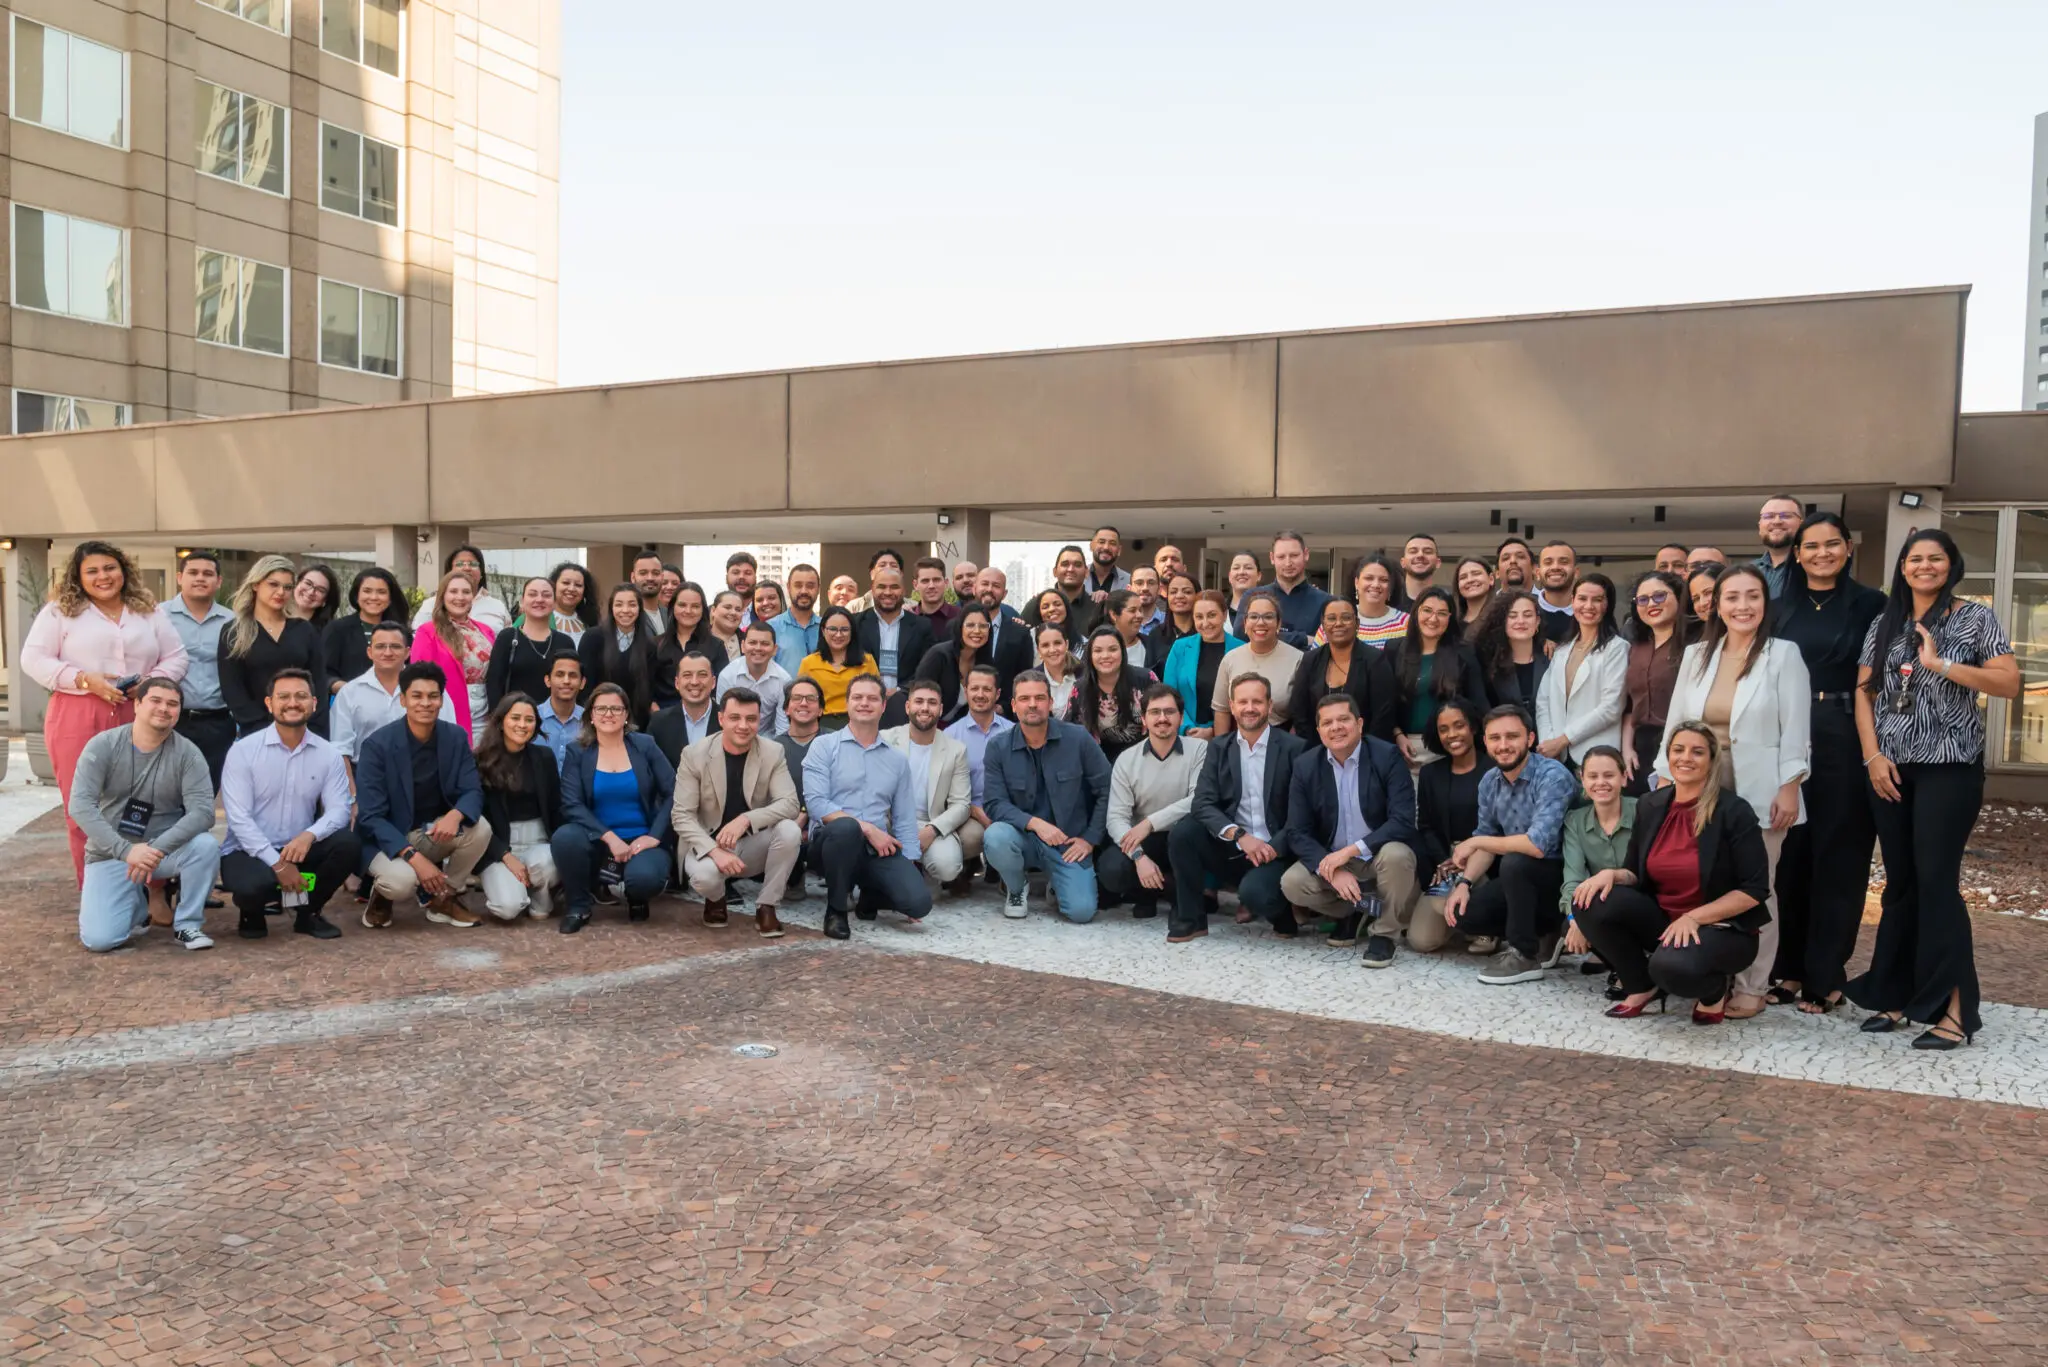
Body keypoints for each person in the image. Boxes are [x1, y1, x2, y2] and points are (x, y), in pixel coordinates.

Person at [1848, 528, 2019, 1049]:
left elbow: (2009, 682)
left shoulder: (1972, 617)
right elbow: (1864, 691)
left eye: (1935, 558)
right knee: (1900, 886)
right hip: (1891, 769)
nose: (1925, 566)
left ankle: (1956, 1009)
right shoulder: (1885, 622)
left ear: (1951, 565)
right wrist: (1872, 756)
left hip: (1948, 768)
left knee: (1937, 883)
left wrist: (1940, 664)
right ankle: (1899, 997)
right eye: (1915, 558)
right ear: (1902, 567)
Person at [1656, 562, 1810, 1019]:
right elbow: (1675, 725)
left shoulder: (1784, 655)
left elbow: (1796, 729)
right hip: (1699, 788)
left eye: (1752, 596)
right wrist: (1666, 776)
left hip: (1762, 789)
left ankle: (1753, 985)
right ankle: (1707, 973)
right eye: (1732, 597)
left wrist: (1790, 786)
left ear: (1765, 604)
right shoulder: (1697, 655)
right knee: (1702, 881)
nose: (1743, 606)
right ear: (1716, 606)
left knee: (1758, 889)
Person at [1571, 724, 1773, 1022]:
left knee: (1669, 968)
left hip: (1721, 928)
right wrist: (1610, 875)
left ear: (1712, 760)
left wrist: (1694, 917)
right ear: (1668, 756)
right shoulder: (1651, 804)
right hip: (1665, 924)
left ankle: (1714, 990)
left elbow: (1754, 890)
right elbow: (1635, 872)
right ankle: (1639, 986)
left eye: (1697, 751)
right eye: (1678, 750)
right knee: (1588, 899)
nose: (1686, 758)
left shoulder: (1734, 811)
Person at [1771, 511, 1887, 1013]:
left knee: (1839, 857)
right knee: (1788, 856)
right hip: (1784, 738)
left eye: (1832, 544)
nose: (1822, 554)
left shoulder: (1872, 605)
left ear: (1847, 548)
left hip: (1844, 733)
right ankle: (1787, 969)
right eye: (1811, 546)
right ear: (1796, 553)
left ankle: (1825, 974)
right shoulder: (1776, 607)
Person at [69, 676, 221, 952]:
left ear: (179, 713)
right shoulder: (102, 745)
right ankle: (138, 906)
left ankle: (188, 925)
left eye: (172, 704)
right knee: (100, 940)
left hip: (163, 851)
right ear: (137, 705)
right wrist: (126, 851)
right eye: (156, 700)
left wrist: (154, 850)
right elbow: (80, 805)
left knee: (206, 846)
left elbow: (203, 813)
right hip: (112, 853)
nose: (164, 708)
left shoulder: (188, 754)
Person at [218, 669, 361, 940]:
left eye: (301, 696)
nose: (293, 703)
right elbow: (239, 820)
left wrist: (309, 835)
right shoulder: (244, 751)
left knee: (347, 845)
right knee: (253, 887)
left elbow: (340, 810)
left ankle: (308, 913)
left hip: (299, 846)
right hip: (248, 850)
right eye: (283, 696)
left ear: (314, 704)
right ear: (269, 703)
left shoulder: (328, 754)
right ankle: (252, 910)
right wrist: (278, 864)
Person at [1279, 693, 1419, 967]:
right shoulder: (1306, 766)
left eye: (1344, 719)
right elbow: (1296, 831)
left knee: (1397, 855)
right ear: (1319, 730)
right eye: (1327, 722)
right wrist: (1332, 870)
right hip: (1337, 858)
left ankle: (1385, 934)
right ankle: (1358, 910)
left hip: (1377, 854)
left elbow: (1403, 820)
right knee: (1292, 884)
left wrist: (1350, 852)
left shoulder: (1386, 756)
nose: (1336, 727)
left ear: (1360, 724)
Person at [1440, 706, 1577, 985]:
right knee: (1463, 914)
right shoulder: (1490, 781)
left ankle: (1524, 955)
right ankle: (1543, 932)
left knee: (1516, 861)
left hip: (1562, 878)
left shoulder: (1553, 775)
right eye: (1495, 738)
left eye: (1512, 736)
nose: (1503, 746)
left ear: (1529, 738)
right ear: (1486, 742)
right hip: (1522, 881)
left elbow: (1537, 845)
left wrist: (1475, 841)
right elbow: (1487, 839)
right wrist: (1464, 883)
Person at [1169, 672, 1305, 941]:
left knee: (1257, 895)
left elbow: (1302, 814)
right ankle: (1192, 919)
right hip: (1236, 846)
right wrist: (1239, 837)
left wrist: (1271, 848)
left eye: (1257, 701)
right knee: (1183, 833)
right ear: (1232, 706)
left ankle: (1282, 915)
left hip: (1277, 851)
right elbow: (1202, 803)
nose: (1249, 708)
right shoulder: (1219, 747)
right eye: (1242, 702)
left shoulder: (1295, 749)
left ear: (1269, 705)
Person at [355, 662, 490, 930]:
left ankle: (443, 896)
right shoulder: (377, 745)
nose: (425, 703)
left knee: (481, 829)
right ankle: (381, 894)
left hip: (428, 832)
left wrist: (456, 814)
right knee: (401, 882)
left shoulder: (454, 737)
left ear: (442, 699)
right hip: (386, 837)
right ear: (403, 700)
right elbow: (370, 817)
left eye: (433, 696)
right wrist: (415, 859)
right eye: (417, 696)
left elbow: (472, 789)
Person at [802, 674, 932, 938]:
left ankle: (871, 895)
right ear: (847, 704)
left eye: (872, 698)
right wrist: (868, 829)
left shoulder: (896, 760)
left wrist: (908, 869)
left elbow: (904, 818)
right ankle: (836, 911)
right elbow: (816, 803)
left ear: (883, 706)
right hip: (830, 844)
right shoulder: (824, 746)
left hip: (876, 850)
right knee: (847, 829)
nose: (865, 703)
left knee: (918, 903)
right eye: (857, 697)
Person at [982, 670, 1113, 923]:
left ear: (1051, 703)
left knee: (1081, 912)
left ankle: (1057, 881)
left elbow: (1107, 790)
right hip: (1022, 838)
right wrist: (1036, 824)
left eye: (1040, 698)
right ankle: (1017, 887)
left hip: (1068, 843)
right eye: (1024, 698)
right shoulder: (998, 747)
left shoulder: (1078, 739)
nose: (1032, 704)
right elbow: (994, 803)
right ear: (1013, 705)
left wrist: (1089, 839)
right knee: (995, 836)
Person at [673, 687, 802, 935]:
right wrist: (715, 851)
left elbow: (789, 803)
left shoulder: (772, 752)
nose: (743, 726)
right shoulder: (694, 755)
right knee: (704, 878)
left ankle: (767, 906)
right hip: (707, 844)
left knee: (790, 830)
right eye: (735, 718)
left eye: (751, 719)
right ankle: (716, 898)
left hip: (753, 844)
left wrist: (746, 819)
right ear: (721, 719)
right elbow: (681, 816)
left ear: (759, 720)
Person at [552, 680, 676, 933]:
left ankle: (636, 896)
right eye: (601, 709)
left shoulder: (645, 745)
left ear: (626, 714)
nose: (609, 714)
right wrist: (609, 837)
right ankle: (579, 906)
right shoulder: (578, 752)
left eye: (616, 709)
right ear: (591, 716)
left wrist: (653, 836)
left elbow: (674, 791)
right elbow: (571, 804)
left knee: (644, 879)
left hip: (642, 838)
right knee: (565, 838)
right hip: (597, 839)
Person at [1098, 685, 1207, 921]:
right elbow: (1116, 818)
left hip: (1185, 839)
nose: (1162, 718)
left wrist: (1149, 822)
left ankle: (1174, 893)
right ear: (1144, 719)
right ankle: (1147, 891)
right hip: (1145, 841)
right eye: (1155, 712)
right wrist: (1139, 857)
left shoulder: (1200, 750)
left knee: (1186, 839)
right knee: (1111, 870)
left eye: (1169, 712)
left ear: (1180, 717)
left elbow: (1198, 800)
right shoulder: (1127, 760)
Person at [1410, 699, 1496, 954]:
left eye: (1459, 726)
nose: (1452, 735)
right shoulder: (1430, 774)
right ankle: (1462, 922)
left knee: (1456, 898)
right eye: (1444, 729)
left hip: (1486, 859)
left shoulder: (1494, 770)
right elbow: (1425, 826)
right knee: (1421, 941)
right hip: (1447, 861)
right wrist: (1441, 861)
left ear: (1473, 728)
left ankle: (1486, 926)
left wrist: (1468, 858)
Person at [881, 679, 978, 894]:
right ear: (908, 707)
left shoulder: (955, 750)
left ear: (941, 709)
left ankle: (925, 871)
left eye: (932, 703)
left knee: (948, 867)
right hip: (889, 821)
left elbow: (961, 804)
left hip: (931, 822)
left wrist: (932, 830)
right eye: (919, 702)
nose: (925, 708)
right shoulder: (885, 740)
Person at [472, 694, 563, 921]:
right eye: (515, 718)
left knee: (542, 866)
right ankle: (518, 890)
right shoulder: (480, 760)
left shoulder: (544, 757)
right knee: (508, 908)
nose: (522, 725)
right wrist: (503, 854)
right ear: (501, 721)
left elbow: (556, 807)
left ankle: (542, 895)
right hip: (499, 844)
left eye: (529, 720)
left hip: (539, 841)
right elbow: (475, 819)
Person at [218, 555, 325, 741]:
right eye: (273, 584)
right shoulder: (234, 631)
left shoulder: (304, 630)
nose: (281, 592)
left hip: (304, 731)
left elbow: (319, 685)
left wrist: (311, 726)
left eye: (287, 587)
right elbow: (232, 689)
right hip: (256, 732)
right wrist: (262, 727)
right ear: (256, 585)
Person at [1556, 746, 1637, 984]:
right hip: (1604, 907)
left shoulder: (1644, 810)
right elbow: (1572, 880)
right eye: (1592, 776)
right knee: (1571, 924)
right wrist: (1576, 920)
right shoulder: (1575, 821)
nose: (1600, 783)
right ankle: (1622, 966)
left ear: (1623, 777)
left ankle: (1638, 969)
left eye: (1609, 775)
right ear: (1582, 779)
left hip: (1643, 903)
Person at [1534, 573, 1628, 767]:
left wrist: (1563, 740)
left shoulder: (1617, 648)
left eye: (1597, 600)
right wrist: (1548, 742)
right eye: (1582, 598)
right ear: (1572, 601)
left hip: (1597, 756)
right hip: (1557, 757)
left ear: (1607, 605)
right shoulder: (1562, 649)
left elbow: (1611, 708)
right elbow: (1544, 700)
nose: (1588, 606)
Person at [162, 550, 236, 788]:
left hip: (217, 722)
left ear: (219, 581)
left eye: (208, 574)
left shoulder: (233, 621)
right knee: (166, 789)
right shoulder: (158, 616)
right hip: (170, 719)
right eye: (193, 572)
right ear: (179, 577)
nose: (200, 578)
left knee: (206, 790)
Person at [1384, 588, 1484, 762]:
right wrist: (1397, 735)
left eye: (1442, 613)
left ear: (1450, 618)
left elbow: (1479, 703)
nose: (1433, 619)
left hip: (1450, 748)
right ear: (1416, 613)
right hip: (1404, 747)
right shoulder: (1394, 649)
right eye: (1427, 611)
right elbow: (1385, 702)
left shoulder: (1464, 653)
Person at [1288, 598, 1399, 747]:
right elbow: (1299, 711)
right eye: (1331, 618)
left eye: (1346, 618)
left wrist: (1364, 752)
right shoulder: (1310, 660)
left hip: (1367, 751)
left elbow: (1383, 716)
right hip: (1318, 750)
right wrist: (1316, 751)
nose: (1338, 623)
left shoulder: (1375, 660)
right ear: (1323, 625)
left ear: (1357, 623)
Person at [1619, 571, 1689, 795]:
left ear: (1679, 597)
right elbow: (1630, 705)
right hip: (1639, 748)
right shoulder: (1636, 646)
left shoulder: (1693, 645)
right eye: (1643, 599)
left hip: (1679, 743)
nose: (1651, 604)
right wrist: (1627, 748)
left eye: (1659, 596)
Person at [943, 664, 1014, 878]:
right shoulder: (950, 735)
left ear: (997, 694)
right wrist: (976, 811)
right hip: (968, 813)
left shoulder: (1013, 733)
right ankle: (966, 866)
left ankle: (1009, 874)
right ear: (966, 691)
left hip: (1007, 810)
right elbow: (944, 789)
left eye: (987, 689)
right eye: (974, 689)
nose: (980, 695)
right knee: (966, 840)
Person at [409, 570, 496, 743]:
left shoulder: (486, 631)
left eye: (466, 592)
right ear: (443, 595)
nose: (460, 597)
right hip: (450, 710)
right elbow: (420, 676)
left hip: (485, 712)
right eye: (453, 591)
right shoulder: (428, 632)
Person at [1212, 591, 1304, 737]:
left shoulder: (1298, 659)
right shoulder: (1230, 659)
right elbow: (1221, 709)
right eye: (1254, 617)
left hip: (1283, 742)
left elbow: (1302, 715)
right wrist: (1222, 749)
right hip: (1239, 741)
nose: (1260, 622)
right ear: (1245, 623)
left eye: (1268, 617)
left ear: (1278, 623)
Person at [578, 584, 662, 728]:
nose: (625, 610)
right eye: (619, 604)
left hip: (635, 724)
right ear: (611, 608)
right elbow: (585, 686)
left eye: (632, 605)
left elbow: (648, 690)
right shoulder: (593, 638)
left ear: (639, 609)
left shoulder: (649, 647)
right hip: (599, 721)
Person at [1161, 589, 1242, 739]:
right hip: (1185, 735)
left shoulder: (1241, 649)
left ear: (1224, 615)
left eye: (1212, 615)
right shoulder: (1180, 647)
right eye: (1199, 617)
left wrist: (1213, 730)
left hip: (1228, 737)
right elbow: (1169, 695)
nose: (1205, 623)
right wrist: (1187, 728)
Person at [329, 620, 411, 768]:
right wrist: (353, 791)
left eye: (395, 646)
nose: (388, 653)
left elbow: (446, 738)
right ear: (369, 652)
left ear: (407, 652)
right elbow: (340, 750)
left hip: (418, 775)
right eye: (380, 646)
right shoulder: (350, 693)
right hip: (366, 775)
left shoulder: (428, 690)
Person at [484, 578, 574, 711]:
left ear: (555, 602)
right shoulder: (507, 638)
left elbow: (571, 685)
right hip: (515, 721)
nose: (539, 599)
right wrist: (499, 721)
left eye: (546, 595)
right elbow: (494, 684)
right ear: (522, 601)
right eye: (532, 594)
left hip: (554, 721)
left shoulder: (565, 642)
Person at [1069, 627, 1151, 763]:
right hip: (1099, 761)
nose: (1105, 656)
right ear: (1090, 655)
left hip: (1144, 758)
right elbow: (1073, 733)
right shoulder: (1079, 689)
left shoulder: (1146, 678)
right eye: (1098, 651)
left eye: (1113, 649)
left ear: (1122, 652)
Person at [322, 566, 407, 690]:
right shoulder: (337, 629)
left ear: (390, 598)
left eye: (381, 592)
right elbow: (323, 672)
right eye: (367, 591)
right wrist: (346, 688)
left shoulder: (401, 632)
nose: (373, 597)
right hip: (349, 702)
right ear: (357, 595)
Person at [854, 567, 936, 693]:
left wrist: (899, 691)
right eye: (881, 586)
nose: (888, 592)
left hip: (906, 699)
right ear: (872, 589)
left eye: (894, 587)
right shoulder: (856, 623)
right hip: (865, 698)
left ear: (903, 590)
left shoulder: (922, 626)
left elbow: (927, 669)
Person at [910, 604, 995, 716]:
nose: (977, 631)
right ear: (960, 628)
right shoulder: (938, 655)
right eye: (970, 625)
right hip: (928, 722)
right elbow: (919, 697)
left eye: (983, 626)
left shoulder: (985, 661)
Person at [1474, 591, 1549, 717]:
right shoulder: (1489, 664)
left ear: (1537, 621)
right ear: (1503, 622)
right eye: (1512, 616)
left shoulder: (1551, 658)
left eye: (1528, 615)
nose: (1521, 621)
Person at [410, 544, 510, 633]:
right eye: (460, 564)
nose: (467, 568)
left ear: (481, 574)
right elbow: (417, 638)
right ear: (448, 573)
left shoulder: (497, 607)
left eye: (473, 564)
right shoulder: (431, 605)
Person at [798, 606, 868, 729]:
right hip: (820, 725)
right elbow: (801, 699)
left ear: (852, 632)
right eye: (833, 629)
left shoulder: (866, 661)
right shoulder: (809, 663)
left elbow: (875, 697)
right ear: (823, 631)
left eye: (845, 629)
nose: (838, 634)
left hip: (859, 723)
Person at [718, 621, 792, 735]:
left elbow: (783, 727)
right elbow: (723, 720)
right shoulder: (728, 675)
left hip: (768, 741)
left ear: (774, 649)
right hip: (733, 736)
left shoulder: (784, 680)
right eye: (752, 642)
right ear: (742, 646)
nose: (758, 648)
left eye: (765, 643)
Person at [1253, 530, 1332, 638]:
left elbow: (1327, 644)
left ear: (1306, 554)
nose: (1288, 563)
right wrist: (1304, 639)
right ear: (1272, 558)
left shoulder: (1326, 602)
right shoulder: (1254, 596)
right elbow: (1242, 638)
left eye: (1294, 555)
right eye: (1281, 557)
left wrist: (1269, 636)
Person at [649, 650, 720, 768]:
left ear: (713, 682)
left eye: (702, 675)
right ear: (677, 683)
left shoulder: (729, 720)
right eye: (687, 675)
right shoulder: (659, 723)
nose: (694, 682)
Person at [656, 582, 728, 689]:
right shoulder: (655, 644)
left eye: (695, 606)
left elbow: (722, 686)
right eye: (682, 605)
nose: (688, 611)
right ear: (673, 607)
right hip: (665, 705)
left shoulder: (716, 645)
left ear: (703, 609)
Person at [1022, 545, 1097, 634]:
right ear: (1055, 572)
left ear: (1086, 572)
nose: (1071, 569)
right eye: (1065, 564)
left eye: (1077, 565)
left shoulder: (1098, 607)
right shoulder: (1035, 606)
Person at [769, 563, 822, 676]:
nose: (804, 591)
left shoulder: (827, 628)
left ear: (818, 589)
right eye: (798, 585)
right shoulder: (771, 627)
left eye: (810, 586)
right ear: (788, 587)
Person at [536, 651, 586, 768]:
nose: (566, 681)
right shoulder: (532, 718)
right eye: (560, 674)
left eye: (573, 675)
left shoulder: (591, 721)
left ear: (582, 683)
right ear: (547, 680)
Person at [1752, 494, 1805, 599]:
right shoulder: (1749, 571)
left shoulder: (1814, 568)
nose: (1777, 521)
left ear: (1801, 524)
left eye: (1786, 515)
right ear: (1760, 526)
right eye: (1769, 516)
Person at [1351, 556, 1409, 647]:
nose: (1376, 585)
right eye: (1369, 578)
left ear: (1390, 587)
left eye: (1384, 580)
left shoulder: (1406, 623)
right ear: (1356, 583)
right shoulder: (1338, 619)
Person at [1532, 541, 1581, 644]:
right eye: (1548, 562)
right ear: (1537, 573)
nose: (1555, 567)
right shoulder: (1525, 608)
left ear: (1576, 572)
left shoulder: (1588, 611)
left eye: (1563, 562)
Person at [1101, 589, 1158, 675]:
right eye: (1132, 610)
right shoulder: (1096, 646)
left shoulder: (1152, 646)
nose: (1139, 615)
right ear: (1113, 615)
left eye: (1140, 610)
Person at [1033, 624, 1081, 720]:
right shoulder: (1032, 679)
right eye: (1045, 645)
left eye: (1057, 643)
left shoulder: (1085, 673)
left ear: (1066, 644)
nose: (1052, 650)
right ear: (1038, 650)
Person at [1148, 572, 1199, 659]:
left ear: (1197, 596)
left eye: (1187, 592)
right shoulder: (1156, 635)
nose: (1179, 596)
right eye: (1173, 592)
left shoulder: (1205, 633)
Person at [844, 547, 905, 616]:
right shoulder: (854, 607)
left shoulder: (913, 606)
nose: (888, 568)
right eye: (882, 565)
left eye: (893, 566)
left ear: (901, 574)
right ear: (872, 574)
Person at [548, 561, 597, 640]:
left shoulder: (590, 622)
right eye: (566, 583)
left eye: (578, 585)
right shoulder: (535, 618)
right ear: (553, 585)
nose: (571, 589)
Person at [1029, 587, 1086, 654]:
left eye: (1057, 604)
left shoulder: (1082, 643)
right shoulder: (1029, 637)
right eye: (1045, 607)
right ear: (1039, 613)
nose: (1052, 609)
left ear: (1066, 608)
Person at [1083, 525, 1131, 604]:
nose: (1106, 547)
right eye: (1101, 542)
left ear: (1119, 550)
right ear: (1091, 546)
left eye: (1112, 543)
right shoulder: (1078, 576)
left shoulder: (1129, 580)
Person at [290, 563, 341, 634]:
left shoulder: (328, 633)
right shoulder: (274, 615)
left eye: (320, 590)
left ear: (325, 599)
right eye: (308, 583)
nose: (311, 592)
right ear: (297, 582)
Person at [1452, 556, 1497, 639]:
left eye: (1476, 574)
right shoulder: (1451, 622)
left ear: (1491, 579)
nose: (1470, 580)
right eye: (1463, 577)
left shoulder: (1501, 618)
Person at [909, 556, 960, 628]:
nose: (931, 586)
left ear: (946, 583)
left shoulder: (960, 616)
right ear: (915, 585)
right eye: (925, 581)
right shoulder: (906, 618)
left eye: (936, 580)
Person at [629, 550, 670, 635]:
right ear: (633, 577)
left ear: (662, 577)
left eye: (655, 573)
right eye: (643, 573)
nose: (650, 578)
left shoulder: (670, 615)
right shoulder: (626, 615)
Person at [1223, 550, 1262, 632]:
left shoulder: (1270, 608)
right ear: (1230, 576)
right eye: (1236, 568)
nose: (1241, 572)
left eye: (1248, 568)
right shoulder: (1220, 608)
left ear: (1259, 575)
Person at [708, 589, 748, 663]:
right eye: (727, 607)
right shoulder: (697, 640)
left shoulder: (748, 642)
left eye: (738, 610)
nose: (733, 613)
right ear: (713, 610)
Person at [1401, 534, 1441, 603]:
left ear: (1438, 563)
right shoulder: (1387, 600)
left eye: (1428, 552)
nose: (1420, 555)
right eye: (1413, 551)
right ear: (1403, 562)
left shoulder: (1447, 602)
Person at [1128, 566, 1165, 632]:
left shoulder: (1170, 622)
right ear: (1129, 589)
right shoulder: (1119, 623)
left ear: (1159, 589)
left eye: (1151, 583)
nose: (1145, 588)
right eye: (1139, 583)